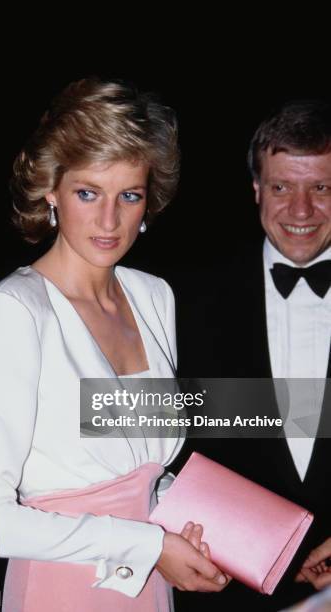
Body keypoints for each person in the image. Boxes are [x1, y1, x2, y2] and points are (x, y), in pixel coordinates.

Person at [0, 78, 228, 612]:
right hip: (62, 589)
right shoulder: (9, 313)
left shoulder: (153, 296)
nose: (110, 221)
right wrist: (147, 545)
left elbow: (140, 468)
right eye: (88, 193)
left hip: (150, 583)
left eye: (129, 195)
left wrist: (226, 535)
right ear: (50, 191)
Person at [174, 99, 331, 611]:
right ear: (257, 189)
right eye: (283, 187)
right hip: (225, 590)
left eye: (323, 188)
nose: (301, 210)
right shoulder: (182, 300)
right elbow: (165, 447)